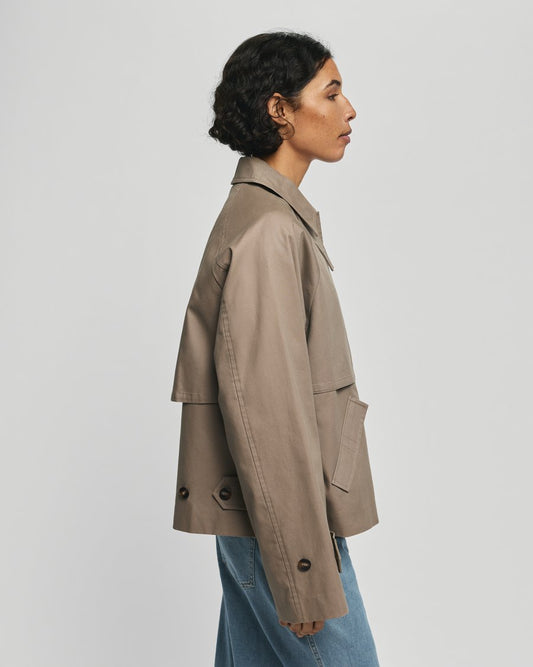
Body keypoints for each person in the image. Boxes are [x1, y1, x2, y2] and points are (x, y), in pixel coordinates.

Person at [170, 31, 381, 665]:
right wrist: (300, 568)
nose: (350, 110)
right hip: (284, 528)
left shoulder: (270, 218)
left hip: (269, 523)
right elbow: (267, 417)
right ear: (280, 110)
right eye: (332, 93)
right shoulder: (266, 232)